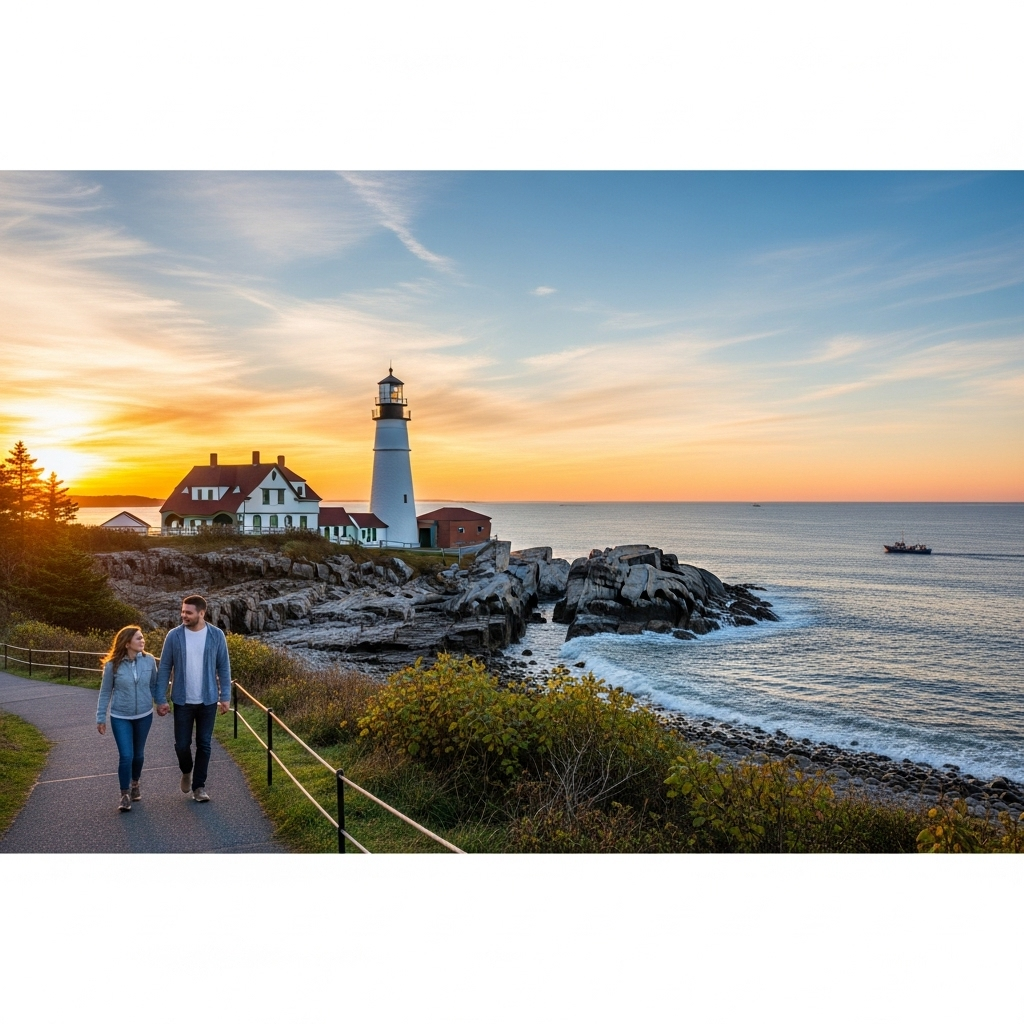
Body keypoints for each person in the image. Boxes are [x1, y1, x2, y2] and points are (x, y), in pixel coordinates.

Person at [155, 594, 232, 802]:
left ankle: (199, 787)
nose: (183, 615)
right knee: (182, 745)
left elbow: (224, 667)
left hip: (208, 700)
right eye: (182, 611)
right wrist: (160, 698)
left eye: (188, 612)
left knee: (204, 744)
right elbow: (164, 667)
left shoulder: (216, 635)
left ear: (201, 613)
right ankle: (187, 770)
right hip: (182, 701)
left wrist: (225, 696)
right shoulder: (174, 636)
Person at [96, 625, 160, 812]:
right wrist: (101, 717)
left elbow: (154, 685)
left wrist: (161, 702)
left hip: (144, 715)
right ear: (127, 643)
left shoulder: (149, 661)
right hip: (120, 716)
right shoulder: (112, 665)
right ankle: (124, 794)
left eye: (142, 637)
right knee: (126, 756)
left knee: (138, 755)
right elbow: (105, 692)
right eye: (138, 638)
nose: (143, 641)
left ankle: (135, 784)